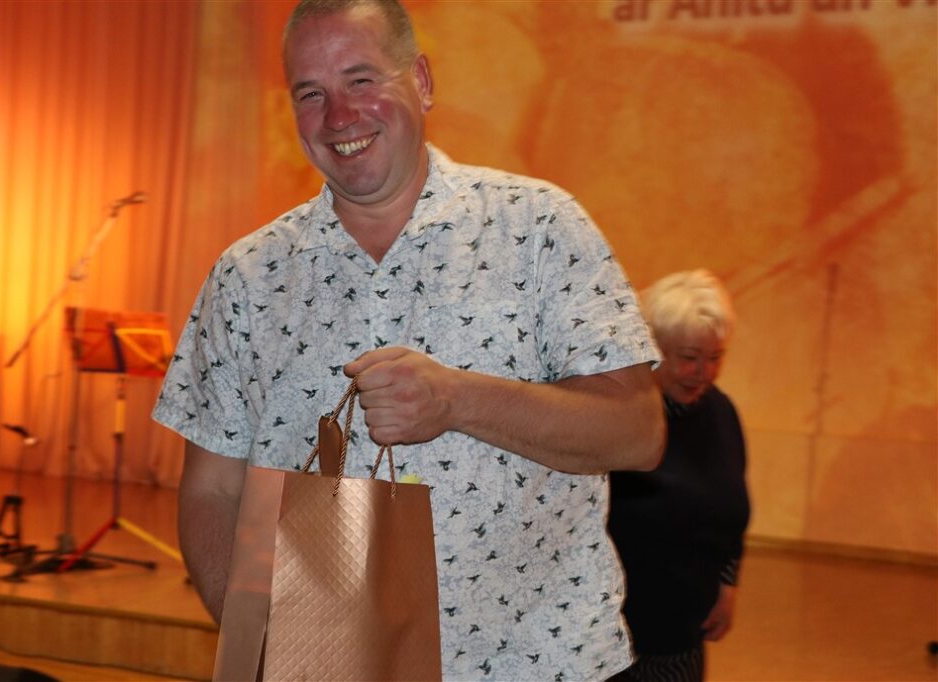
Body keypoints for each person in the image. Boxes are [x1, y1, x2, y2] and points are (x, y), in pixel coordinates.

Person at [152, 1, 665, 679]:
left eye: (361, 80)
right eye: (311, 93)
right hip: (325, 668)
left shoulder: (539, 227)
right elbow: (213, 491)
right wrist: (266, 646)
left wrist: (457, 401)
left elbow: (637, 433)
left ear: (420, 81)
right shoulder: (247, 277)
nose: (339, 116)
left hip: (538, 665)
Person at [607, 269, 751, 682]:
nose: (704, 372)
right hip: (615, 643)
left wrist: (727, 584)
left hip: (682, 640)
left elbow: (732, 510)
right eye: (689, 357)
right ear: (653, 348)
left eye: (715, 357)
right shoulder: (618, 417)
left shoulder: (720, 411)